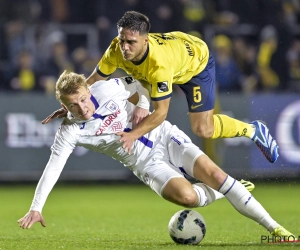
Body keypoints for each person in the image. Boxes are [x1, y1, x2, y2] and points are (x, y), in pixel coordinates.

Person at [18, 71, 293, 241]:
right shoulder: (69, 132)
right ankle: (229, 191)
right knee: (189, 198)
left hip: (162, 134)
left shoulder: (106, 88)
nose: (81, 107)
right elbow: (53, 168)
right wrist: (36, 206)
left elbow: (139, 83)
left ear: (88, 90)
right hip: (144, 164)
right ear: (63, 106)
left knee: (216, 175)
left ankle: (276, 230)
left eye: (81, 99)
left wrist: (144, 105)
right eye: (72, 105)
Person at [42, 11, 279, 163]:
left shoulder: (159, 66)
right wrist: (74, 104)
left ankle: (253, 130)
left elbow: (162, 113)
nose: (124, 47)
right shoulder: (116, 48)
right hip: (171, 56)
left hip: (196, 65)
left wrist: (133, 135)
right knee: (134, 99)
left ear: (145, 40)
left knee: (203, 129)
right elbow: (94, 80)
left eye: (131, 42)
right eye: (122, 40)